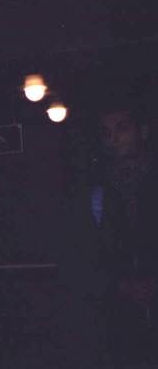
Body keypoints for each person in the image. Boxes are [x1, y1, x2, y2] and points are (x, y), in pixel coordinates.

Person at [94, 104, 158, 364]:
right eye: (106, 133)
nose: (113, 139)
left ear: (143, 132)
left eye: (122, 129)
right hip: (120, 301)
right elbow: (93, 245)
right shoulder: (98, 186)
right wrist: (119, 283)